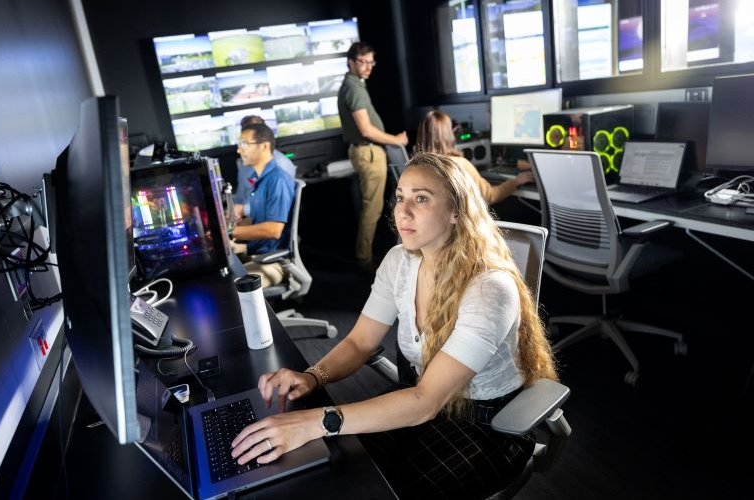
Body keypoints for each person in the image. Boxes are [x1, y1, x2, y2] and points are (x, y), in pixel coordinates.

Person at [230, 152, 558, 499]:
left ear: (456, 212)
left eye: (421, 199)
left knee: (382, 487)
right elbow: (359, 343)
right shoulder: (399, 260)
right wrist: (313, 376)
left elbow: (425, 402)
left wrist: (316, 421)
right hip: (421, 403)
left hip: (488, 426)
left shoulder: (489, 288)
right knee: (338, 465)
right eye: (400, 197)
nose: (402, 210)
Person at [337, 41, 408, 272]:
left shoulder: (355, 84)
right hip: (367, 151)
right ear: (351, 62)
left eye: (371, 62)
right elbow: (366, 130)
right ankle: (364, 260)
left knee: (374, 207)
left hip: (367, 151)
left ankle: (365, 256)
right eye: (363, 62)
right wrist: (396, 140)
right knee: (372, 209)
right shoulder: (354, 88)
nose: (368, 67)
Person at [416, 110, 534, 206]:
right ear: (448, 134)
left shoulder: (417, 166)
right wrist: (517, 181)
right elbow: (490, 196)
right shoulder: (459, 165)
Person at [230, 122, 295, 288]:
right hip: (257, 254)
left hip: (274, 262)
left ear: (264, 146)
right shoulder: (260, 180)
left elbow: (273, 230)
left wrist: (231, 231)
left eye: (245, 144)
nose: (239, 150)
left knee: (231, 288)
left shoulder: (277, 180)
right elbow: (256, 221)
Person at [233, 115, 296, 220]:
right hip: (248, 219)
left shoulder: (280, 166)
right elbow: (240, 198)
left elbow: (278, 211)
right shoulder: (244, 166)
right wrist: (233, 214)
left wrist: (244, 210)